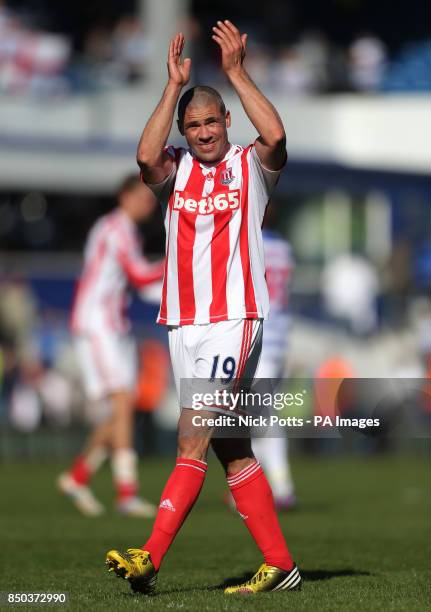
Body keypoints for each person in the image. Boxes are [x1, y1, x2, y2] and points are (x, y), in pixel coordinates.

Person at [106, 21, 301, 595]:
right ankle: (281, 566)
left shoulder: (250, 167)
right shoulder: (176, 170)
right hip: (184, 325)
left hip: (234, 321)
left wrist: (236, 72)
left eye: (210, 122)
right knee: (230, 447)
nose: (203, 133)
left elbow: (278, 136)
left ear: (226, 123)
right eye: (193, 126)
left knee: (192, 436)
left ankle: (149, 557)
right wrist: (172, 88)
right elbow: (145, 155)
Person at [58, 175, 164, 517]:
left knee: (119, 409)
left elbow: (138, 282)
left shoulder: (123, 231)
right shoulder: (115, 228)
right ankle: (126, 492)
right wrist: (179, 262)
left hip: (113, 324)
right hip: (97, 324)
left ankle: (77, 477)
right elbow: (140, 274)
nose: (149, 204)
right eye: (143, 197)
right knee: (121, 402)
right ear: (125, 196)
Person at [251, 220, 297, 510]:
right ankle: (245, 486)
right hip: (279, 335)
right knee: (252, 418)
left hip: (259, 336)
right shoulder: (283, 247)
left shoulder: (246, 241)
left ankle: (282, 488)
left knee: (262, 416)